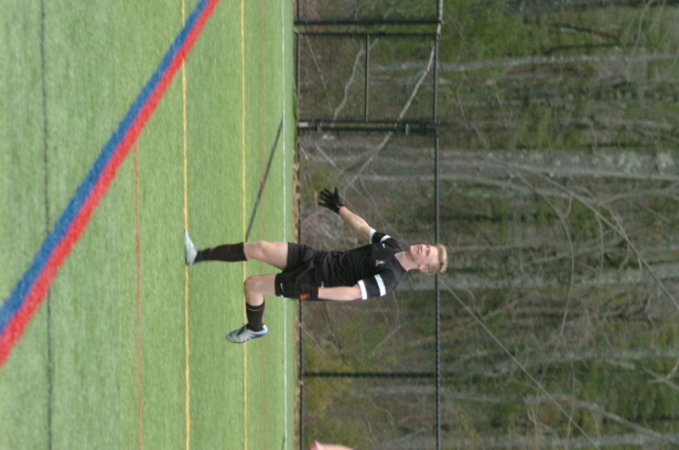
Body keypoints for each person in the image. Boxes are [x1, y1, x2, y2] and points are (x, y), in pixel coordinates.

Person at [184, 187, 448, 343]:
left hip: (314, 282)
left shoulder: (390, 279)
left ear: (424, 268)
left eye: (428, 254)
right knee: (260, 247)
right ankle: (196, 256)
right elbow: (363, 228)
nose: (424, 248)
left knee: (252, 285)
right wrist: (340, 208)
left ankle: (255, 328)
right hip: (317, 258)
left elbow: (352, 293)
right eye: (428, 246)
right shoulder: (392, 245)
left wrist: (317, 292)